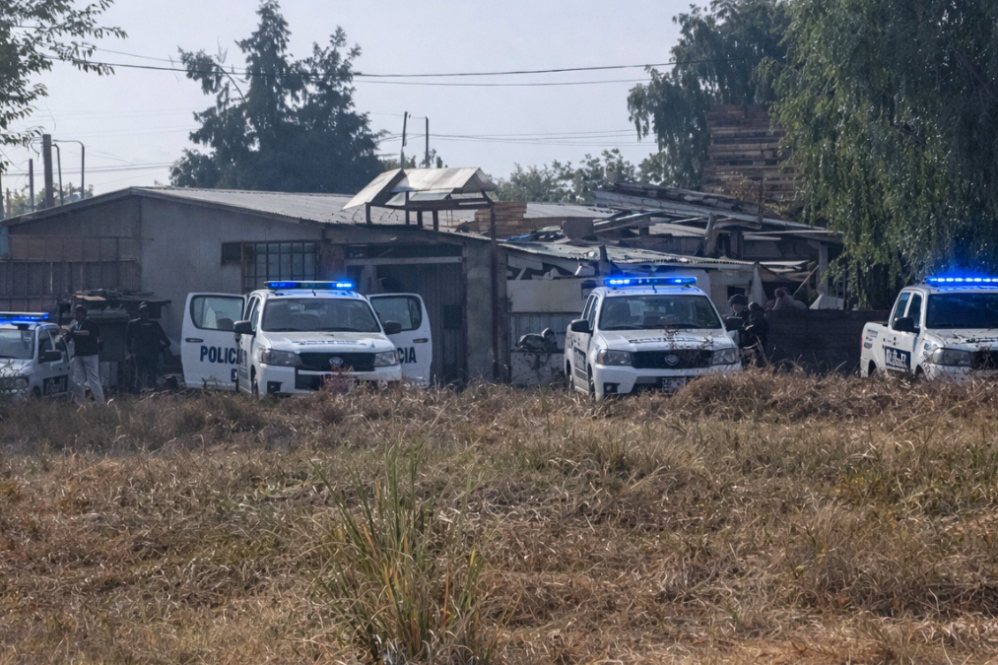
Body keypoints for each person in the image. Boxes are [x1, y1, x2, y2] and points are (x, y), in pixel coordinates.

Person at [64, 305, 106, 405]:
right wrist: (69, 335)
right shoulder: (75, 326)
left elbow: (92, 336)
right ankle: (80, 403)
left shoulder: (91, 324)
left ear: (82, 313)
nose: (75, 315)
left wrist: (75, 334)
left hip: (90, 354)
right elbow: (69, 337)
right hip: (79, 354)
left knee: (93, 379)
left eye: (77, 313)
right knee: (78, 380)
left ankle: (100, 402)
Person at [126, 302, 171, 391]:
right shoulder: (153, 324)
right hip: (149, 353)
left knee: (142, 374)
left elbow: (127, 340)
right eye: (143, 312)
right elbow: (166, 340)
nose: (145, 314)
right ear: (140, 313)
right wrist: (161, 348)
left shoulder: (133, 324)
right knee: (149, 374)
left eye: (146, 312)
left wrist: (130, 349)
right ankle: (149, 391)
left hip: (144, 353)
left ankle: (142, 392)